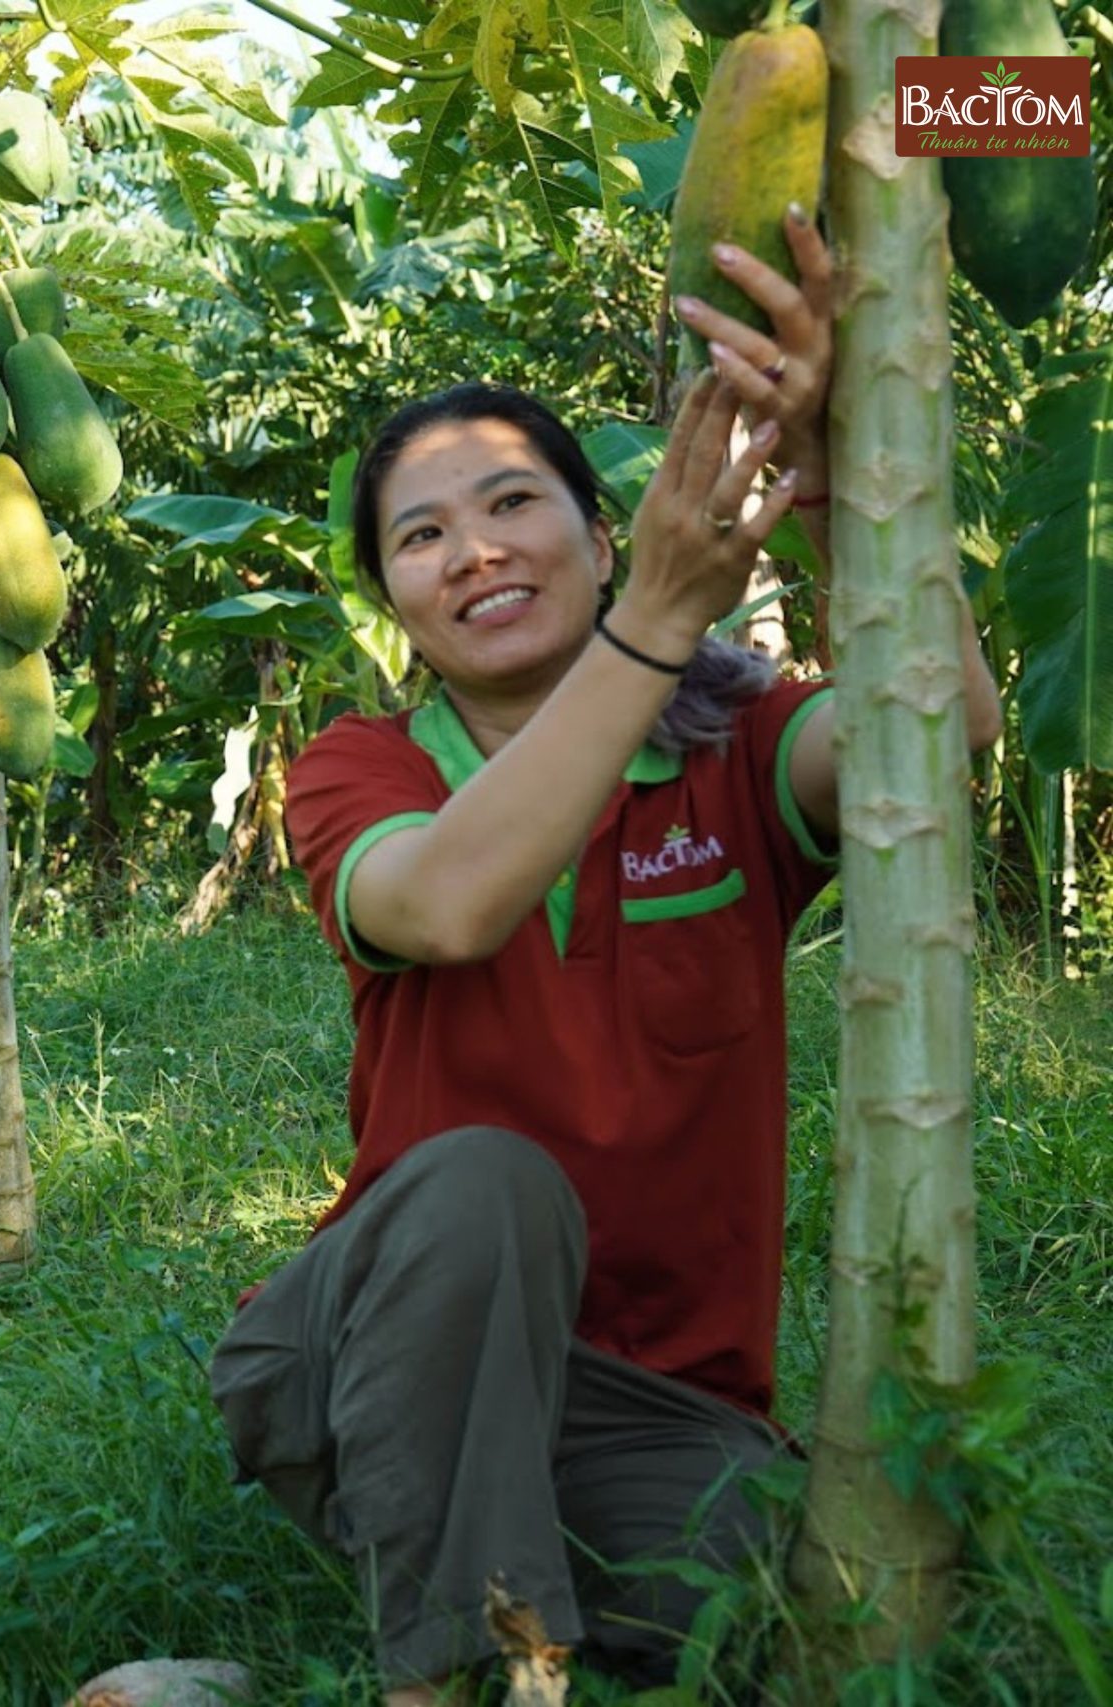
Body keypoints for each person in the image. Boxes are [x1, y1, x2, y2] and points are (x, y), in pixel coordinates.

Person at [207, 208, 1002, 1700]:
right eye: (423, 535)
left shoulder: (739, 745)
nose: (477, 551)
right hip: (374, 1348)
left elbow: (941, 735)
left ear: (593, 525)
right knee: (487, 1179)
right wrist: (653, 618)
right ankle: (443, 1675)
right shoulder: (358, 768)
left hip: (649, 1402)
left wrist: (838, 482)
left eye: (515, 504)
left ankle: (482, 1591)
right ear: (394, 601)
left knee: (770, 1608)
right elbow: (446, 906)